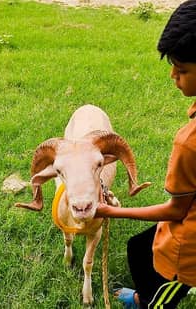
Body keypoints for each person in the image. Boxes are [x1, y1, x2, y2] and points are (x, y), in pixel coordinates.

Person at [95, 1, 196, 308]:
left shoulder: (189, 143)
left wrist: (111, 212)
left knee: (161, 296)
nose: (173, 77)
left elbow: (175, 211)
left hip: (187, 253)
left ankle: (149, 301)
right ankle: (142, 294)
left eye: (182, 69)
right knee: (139, 248)